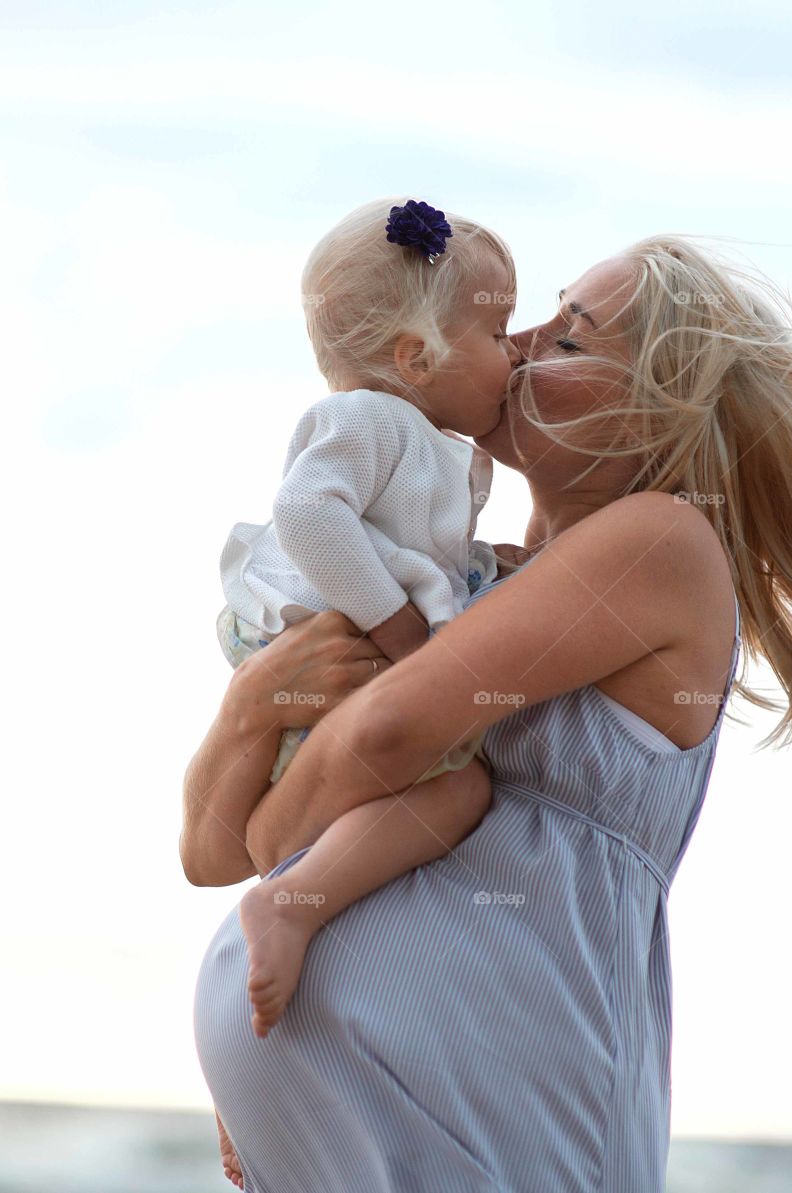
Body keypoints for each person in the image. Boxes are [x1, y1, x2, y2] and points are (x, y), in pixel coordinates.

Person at [182, 235, 792, 1192]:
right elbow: (204, 853)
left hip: (523, 1113)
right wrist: (248, 704)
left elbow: (379, 739)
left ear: (656, 409)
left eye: (570, 338)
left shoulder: (661, 542)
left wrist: (283, 850)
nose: (516, 344)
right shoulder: (459, 583)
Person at [214, 197, 521, 1040]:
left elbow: (412, 548)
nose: (515, 355)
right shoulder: (373, 421)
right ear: (416, 356)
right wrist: (397, 633)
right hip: (325, 653)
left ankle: (254, 1042)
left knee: (347, 837)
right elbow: (310, 514)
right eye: (498, 336)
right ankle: (284, 911)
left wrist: (490, 567)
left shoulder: (405, 435)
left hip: (327, 656)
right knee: (455, 791)